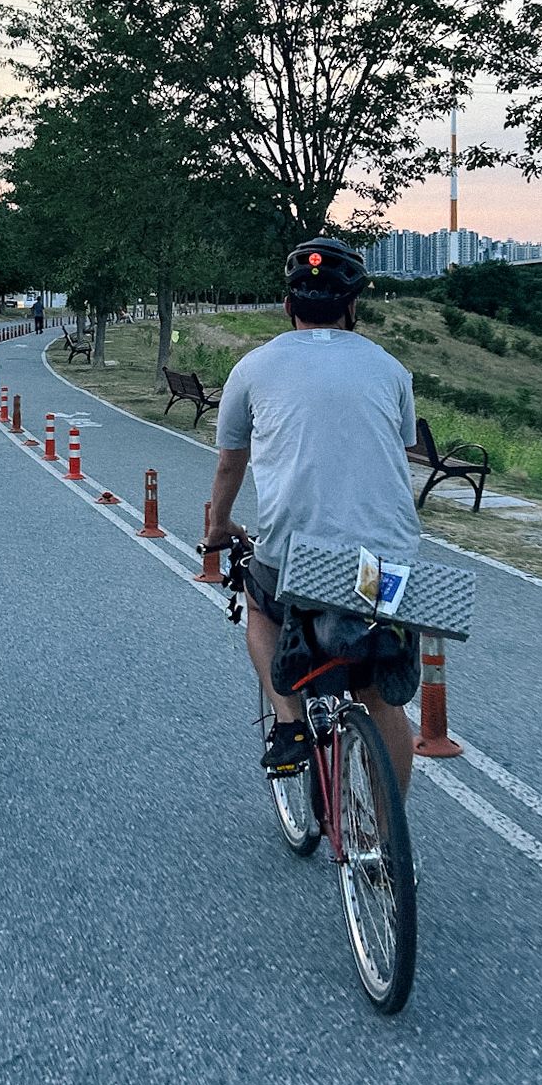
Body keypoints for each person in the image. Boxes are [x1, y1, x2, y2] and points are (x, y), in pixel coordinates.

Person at [202, 238, 422, 792]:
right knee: (377, 695)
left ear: (287, 305)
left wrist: (218, 527)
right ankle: (384, 847)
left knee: (259, 604)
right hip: (383, 560)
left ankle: (289, 720)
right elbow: (397, 446)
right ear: (354, 306)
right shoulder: (390, 370)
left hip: (295, 556)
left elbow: (231, 464)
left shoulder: (254, 367)